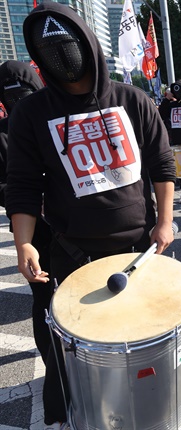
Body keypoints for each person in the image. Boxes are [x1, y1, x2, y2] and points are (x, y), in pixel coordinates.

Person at [5, 4, 176, 429]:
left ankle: (149, 414)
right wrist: (24, 242)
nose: (61, 56)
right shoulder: (32, 113)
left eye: (67, 44)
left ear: (87, 42)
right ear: (38, 59)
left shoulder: (132, 100)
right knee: (73, 353)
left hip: (137, 251)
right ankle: (78, 416)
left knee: (141, 346)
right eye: (49, 50)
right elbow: (24, 185)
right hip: (69, 253)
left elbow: (162, 165)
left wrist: (166, 220)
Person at [0, 60, 54, 366]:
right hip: (32, 231)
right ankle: (55, 371)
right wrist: (26, 199)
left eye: (23, 92)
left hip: (71, 224)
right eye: (9, 97)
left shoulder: (56, 119)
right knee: (44, 300)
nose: (17, 101)